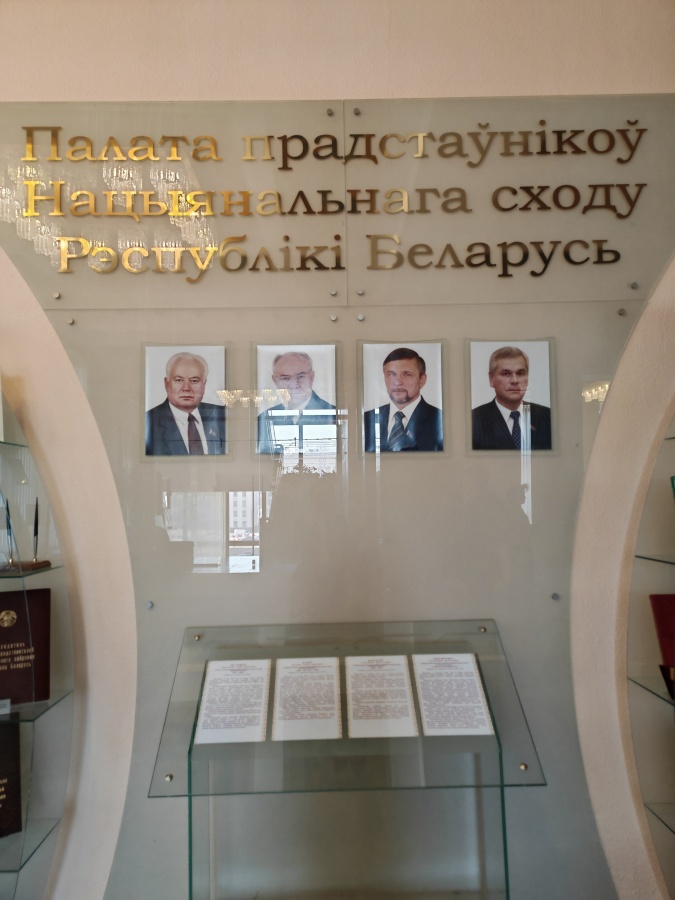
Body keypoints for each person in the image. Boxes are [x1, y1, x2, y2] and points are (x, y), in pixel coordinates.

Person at [145, 352, 226, 455]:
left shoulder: (223, 414)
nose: (186, 388)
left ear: (204, 384)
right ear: (167, 384)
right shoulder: (148, 422)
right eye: (179, 380)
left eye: (194, 381)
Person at [471, 346, 552, 450]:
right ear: (491, 379)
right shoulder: (473, 420)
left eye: (520, 373)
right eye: (506, 374)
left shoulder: (548, 417)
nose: (514, 380)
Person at [364, 348, 443, 452]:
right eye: (391, 374)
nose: (397, 382)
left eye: (407, 374)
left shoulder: (440, 420)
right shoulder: (367, 419)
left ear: (422, 380)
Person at [257, 351, 336, 454]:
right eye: (285, 378)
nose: (293, 385)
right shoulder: (263, 419)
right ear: (275, 381)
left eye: (300, 377)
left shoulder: (334, 415)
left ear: (312, 377)